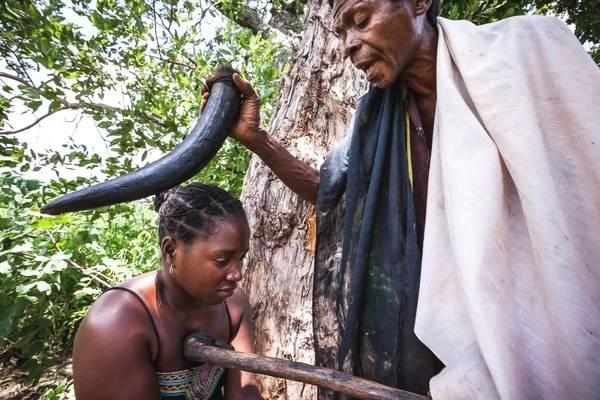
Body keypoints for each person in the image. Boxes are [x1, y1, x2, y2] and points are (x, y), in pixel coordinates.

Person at [202, 0, 600, 398]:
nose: (349, 45)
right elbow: (335, 190)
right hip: (450, 340)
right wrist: (257, 140)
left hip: (554, 310)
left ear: (420, 4)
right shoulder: (376, 122)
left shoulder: (523, 50)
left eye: (361, 20)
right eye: (342, 33)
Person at [72, 183, 263, 400]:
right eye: (222, 260)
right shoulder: (116, 322)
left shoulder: (233, 306)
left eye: (241, 258)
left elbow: (246, 394)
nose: (237, 274)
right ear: (171, 251)